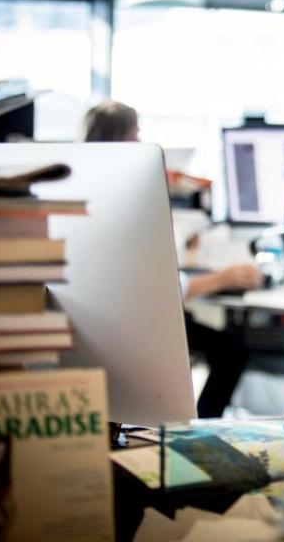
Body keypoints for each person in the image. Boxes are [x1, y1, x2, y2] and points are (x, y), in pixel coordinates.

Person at [83, 99, 263, 417]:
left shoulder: (89, 190)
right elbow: (159, 291)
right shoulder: (123, 202)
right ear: (124, 142)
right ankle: (200, 430)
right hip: (134, 323)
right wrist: (223, 279)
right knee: (231, 351)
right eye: (135, 136)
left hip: (105, 318)